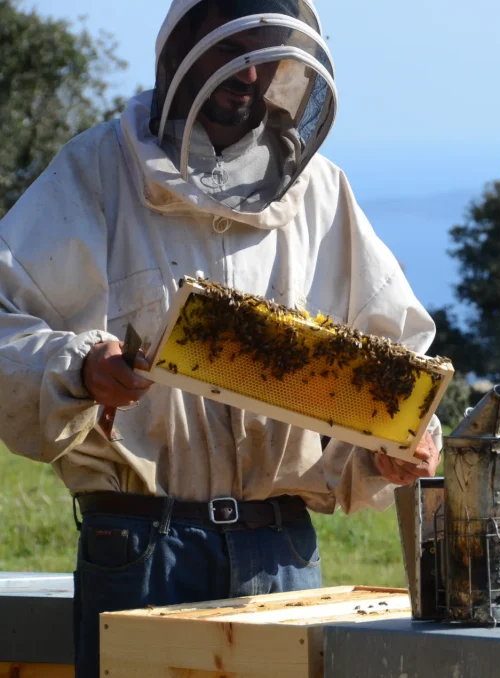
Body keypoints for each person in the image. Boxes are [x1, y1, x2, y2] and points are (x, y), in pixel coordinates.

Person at [0, 1, 442, 676]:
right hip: (144, 543)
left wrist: (396, 445)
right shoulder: (94, 173)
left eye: (268, 54)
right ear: (182, 50)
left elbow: (391, 368)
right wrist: (80, 366)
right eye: (233, 51)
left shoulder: (321, 192)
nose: (252, 73)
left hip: (281, 547)